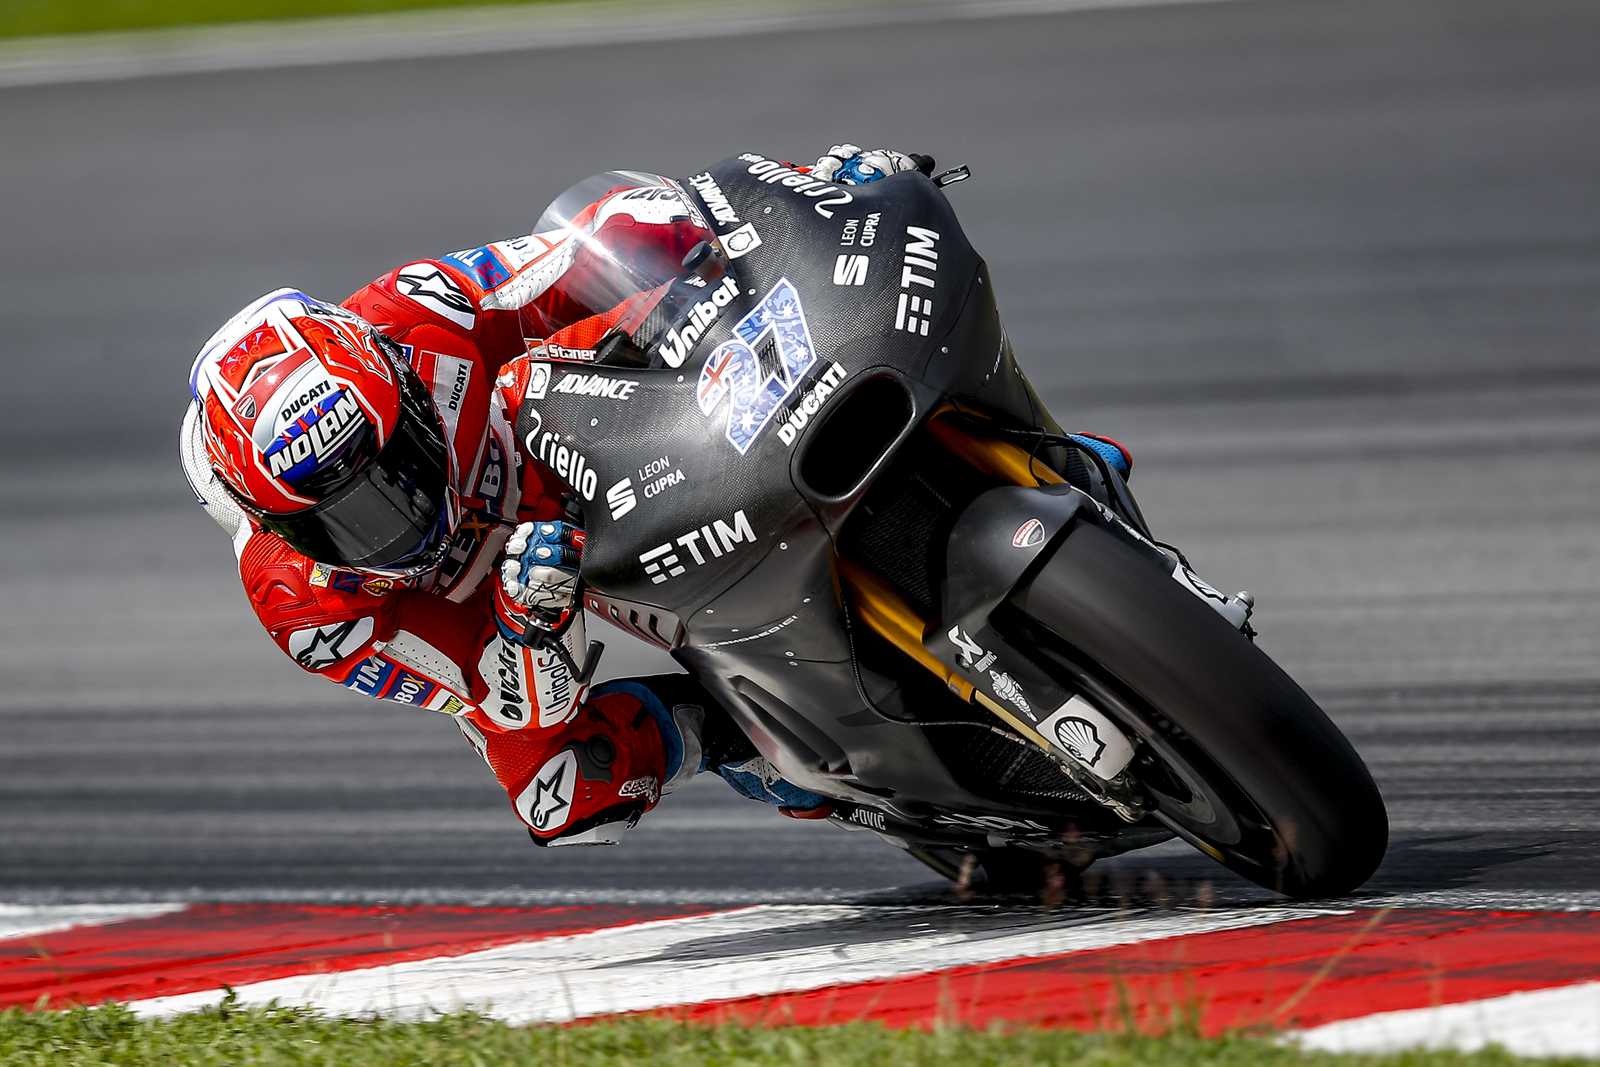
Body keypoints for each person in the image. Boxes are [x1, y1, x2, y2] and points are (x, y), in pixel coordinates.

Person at [179, 146, 1136, 846]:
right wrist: (528, 622)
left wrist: (746, 216)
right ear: (274, 522)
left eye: (393, 465)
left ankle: (1034, 453)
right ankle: (752, 736)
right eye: (345, 516)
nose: (391, 512)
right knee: (559, 794)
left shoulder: (415, 316)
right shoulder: (309, 609)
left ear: (397, 388)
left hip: (589, 436)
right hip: (499, 603)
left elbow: (572, 256)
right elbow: (500, 705)